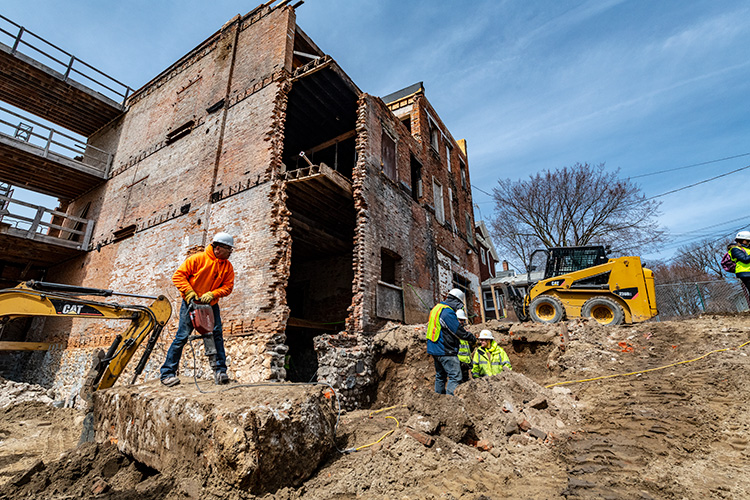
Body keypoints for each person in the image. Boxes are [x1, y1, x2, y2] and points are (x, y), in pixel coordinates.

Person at [160, 232, 235, 387]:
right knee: (182, 336)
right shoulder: (197, 259)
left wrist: (213, 293)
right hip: (191, 303)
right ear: (218, 248)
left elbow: (228, 287)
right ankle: (167, 373)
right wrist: (188, 291)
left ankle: (220, 372)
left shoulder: (227, 267)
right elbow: (178, 276)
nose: (230, 253)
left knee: (216, 336)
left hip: (211, 306)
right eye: (229, 249)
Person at [426, 288, 476, 395]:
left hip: (434, 348)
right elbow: (457, 331)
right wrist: (471, 338)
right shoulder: (447, 312)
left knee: (440, 375)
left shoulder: (437, 308)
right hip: (445, 349)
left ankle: (438, 400)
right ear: (456, 301)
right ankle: (450, 402)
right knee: (455, 376)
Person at [455, 309, 476, 383]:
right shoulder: (454, 332)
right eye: (460, 320)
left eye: (463, 320)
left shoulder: (464, 332)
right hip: (458, 363)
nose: (462, 322)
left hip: (465, 363)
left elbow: (469, 348)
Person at [729, 231, 750, 298]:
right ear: (743, 241)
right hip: (745, 273)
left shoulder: (747, 249)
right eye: (748, 241)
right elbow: (745, 259)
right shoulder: (735, 249)